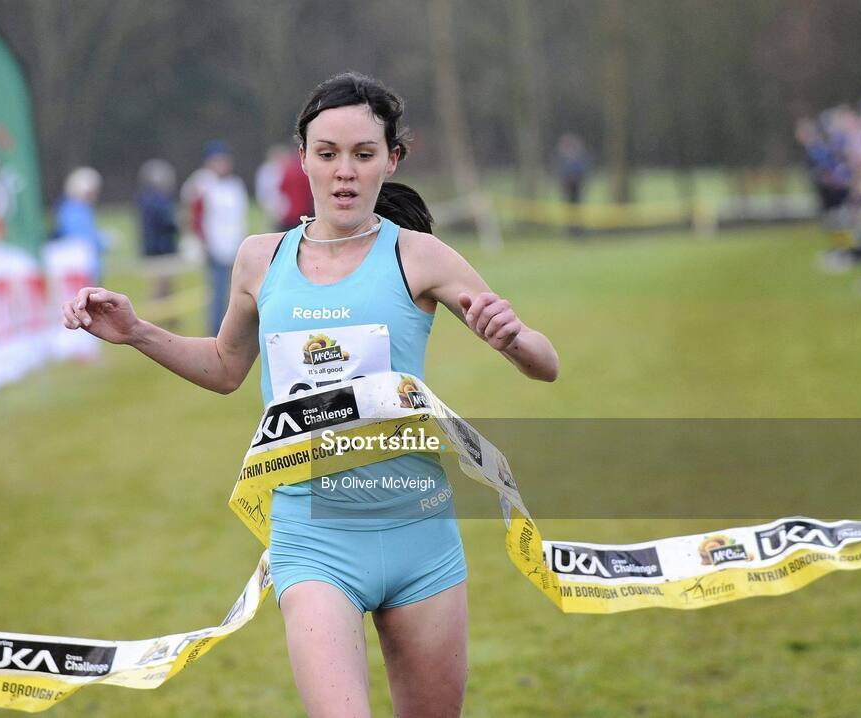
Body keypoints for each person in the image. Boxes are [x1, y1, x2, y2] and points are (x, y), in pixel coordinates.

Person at [63, 72, 558, 717]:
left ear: (392, 159)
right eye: (327, 154)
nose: (345, 172)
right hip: (313, 538)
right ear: (302, 159)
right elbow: (223, 366)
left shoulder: (421, 257)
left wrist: (513, 338)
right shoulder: (259, 260)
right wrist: (136, 332)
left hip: (420, 534)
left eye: (363, 154)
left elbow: (544, 364)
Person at [181, 142, 248, 336]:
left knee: (236, 291)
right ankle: (216, 330)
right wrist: (200, 242)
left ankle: (236, 328)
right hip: (214, 246)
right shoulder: (201, 184)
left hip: (234, 245)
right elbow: (193, 215)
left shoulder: (234, 185)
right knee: (217, 291)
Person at [137, 159, 179, 301]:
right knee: (161, 286)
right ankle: (159, 317)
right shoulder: (158, 200)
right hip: (160, 249)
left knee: (160, 285)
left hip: (150, 248)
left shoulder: (144, 199)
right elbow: (168, 222)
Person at [55, 167, 107, 282]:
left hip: (88, 266)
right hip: (81, 267)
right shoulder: (73, 211)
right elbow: (82, 239)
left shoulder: (82, 209)